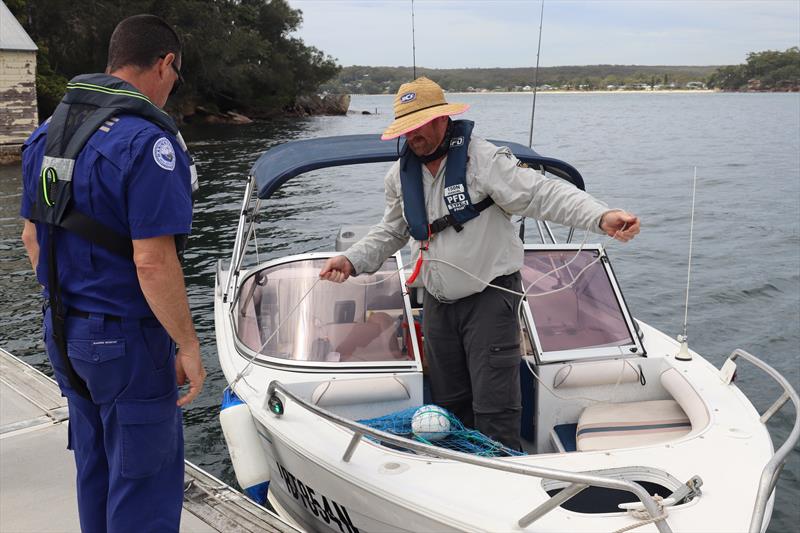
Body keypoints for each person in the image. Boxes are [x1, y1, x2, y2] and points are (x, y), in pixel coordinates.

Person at [320, 77, 640, 450]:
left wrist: (601, 216)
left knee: (494, 407)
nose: (412, 137)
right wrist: (351, 259)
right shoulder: (399, 176)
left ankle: (504, 472)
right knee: (448, 405)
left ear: (442, 120)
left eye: (418, 126)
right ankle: (460, 467)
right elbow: (392, 230)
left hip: (489, 298)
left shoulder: (483, 161)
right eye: (405, 129)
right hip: (438, 304)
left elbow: (543, 194)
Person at [19, 14, 205, 532]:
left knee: (96, 471)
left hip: (64, 331)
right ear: (166, 64)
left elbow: (33, 236)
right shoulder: (148, 144)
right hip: (127, 342)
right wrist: (187, 345)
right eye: (175, 75)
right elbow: (152, 260)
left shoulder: (46, 136)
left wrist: (71, 305)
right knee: (143, 487)